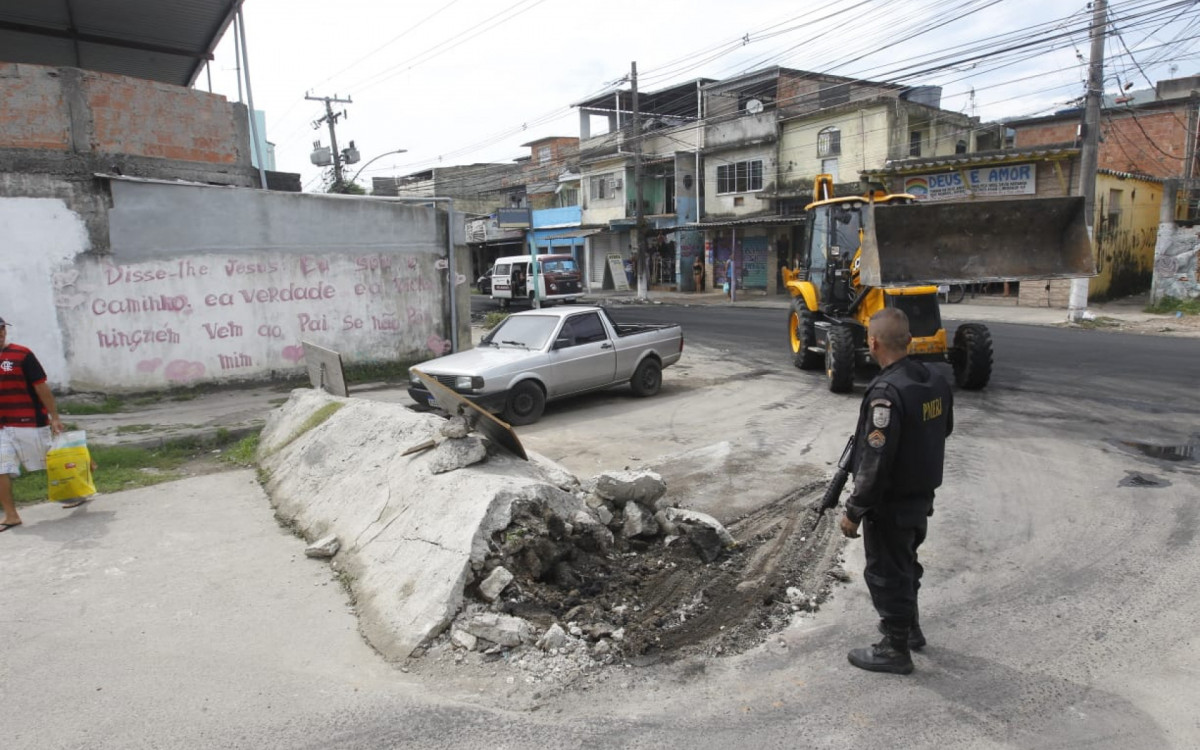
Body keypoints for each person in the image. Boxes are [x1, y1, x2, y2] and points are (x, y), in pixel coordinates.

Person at [838, 308, 953, 674]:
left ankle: (895, 647)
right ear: (908, 340)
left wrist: (854, 510)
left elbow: (875, 461)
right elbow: (944, 428)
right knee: (906, 562)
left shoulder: (885, 393)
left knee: (885, 572)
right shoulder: (933, 379)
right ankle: (911, 629)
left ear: (872, 343)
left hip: (891, 503)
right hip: (921, 496)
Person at [1, 316, 66, 532]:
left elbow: (41, 387)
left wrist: (54, 416)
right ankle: (11, 515)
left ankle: (80, 482)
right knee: (1, 468)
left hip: (30, 421)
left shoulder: (22, 354)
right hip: (2, 427)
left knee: (55, 460)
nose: (1, 333)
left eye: (2, 329)